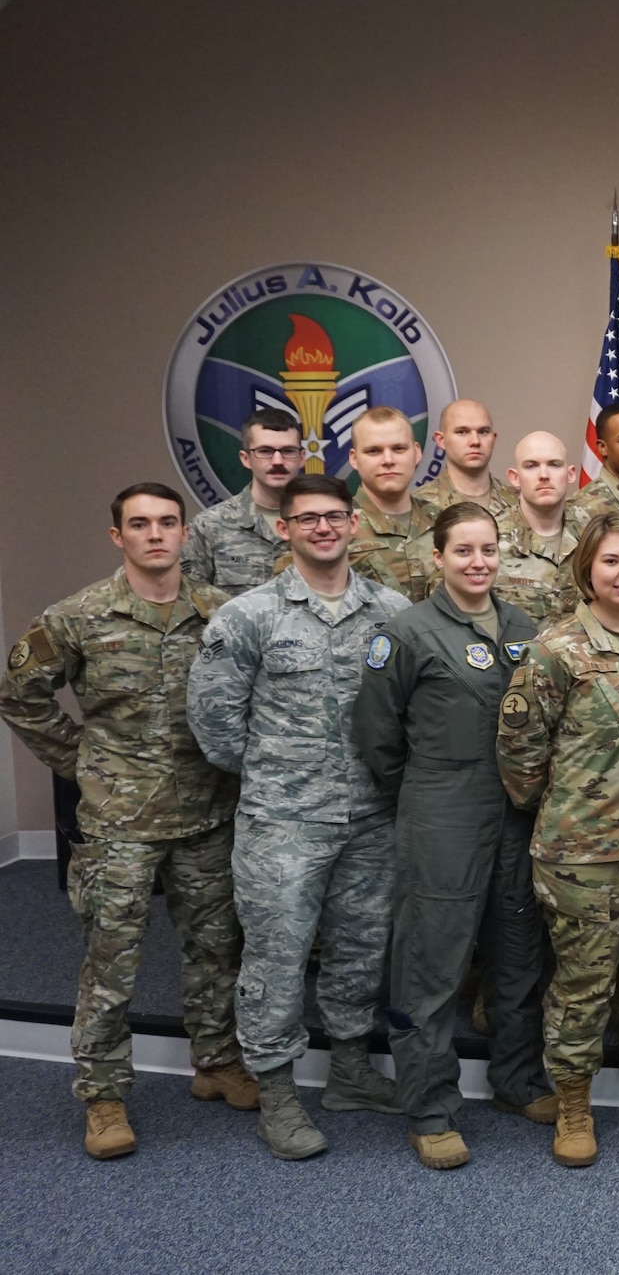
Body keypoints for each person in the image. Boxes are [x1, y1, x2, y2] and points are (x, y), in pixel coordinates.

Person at [0, 483, 251, 1161]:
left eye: (168, 522)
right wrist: (81, 758)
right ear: (119, 536)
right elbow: (18, 693)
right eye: (140, 524)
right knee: (111, 963)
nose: (156, 534)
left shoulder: (220, 613)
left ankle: (217, 1059)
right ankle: (104, 1094)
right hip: (120, 822)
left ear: (182, 531)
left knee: (215, 950)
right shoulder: (80, 615)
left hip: (206, 813)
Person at [186, 473, 411, 1161]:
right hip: (283, 821)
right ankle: (278, 1093)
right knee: (278, 958)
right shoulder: (249, 615)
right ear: (283, 528)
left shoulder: (391, 610)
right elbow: (214, 722)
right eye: (306, 517)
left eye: (334, 516)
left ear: (353, 524)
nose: (322, 527)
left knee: (359, 949)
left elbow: (405, 708)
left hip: (370, 816)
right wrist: (282, 774)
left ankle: (348, 1071)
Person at [495, 512, 619, 1168]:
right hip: (582, 852)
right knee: (583, 981)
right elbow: (520, 747)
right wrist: (558, 806)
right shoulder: (555, 649)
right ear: (587, 569)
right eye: (612, 561)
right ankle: (575, 1101)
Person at [352, 503, 550, 1170]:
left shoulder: (524, 626)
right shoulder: (407, 633)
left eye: (488, 549)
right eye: (463, 550)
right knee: (431, 964)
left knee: (517, 951)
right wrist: (422, 792)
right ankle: (430, 1107)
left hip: (518, 808)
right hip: (442, 805)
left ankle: (517, 1079)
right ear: (436, 557)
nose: (478, 561)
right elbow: (377, 736)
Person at [181, 407, 299, 596]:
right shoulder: (210, 526)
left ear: (301, 458)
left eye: (288, 451)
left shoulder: (325, 523)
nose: (277, 461)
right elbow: (192, 604)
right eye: (265, 451)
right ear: (245, 459)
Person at [343, 406, 439, 601]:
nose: (388, 460)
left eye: (398, 449)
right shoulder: (334, 525)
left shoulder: (444, 521)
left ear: (416, 453)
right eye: (374, 451)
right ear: (354, 459)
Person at [495, 430, 586, 630]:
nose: (544, 475)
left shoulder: (596, 534)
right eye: (531, 466)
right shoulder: (488, 539)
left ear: (570, 474)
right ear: (514, 477)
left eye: (554, 464)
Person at [424, 399, 512, 518]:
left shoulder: (519, 502)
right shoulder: (420, 506)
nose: (475, 441)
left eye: (483, 432)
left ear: (493, 439)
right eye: (462, 432)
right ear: (441, 440)